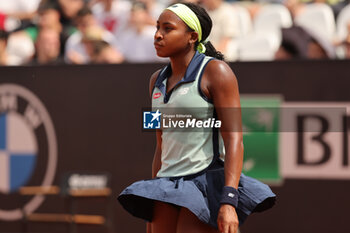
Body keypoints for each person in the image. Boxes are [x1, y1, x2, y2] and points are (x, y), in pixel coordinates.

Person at [118, 3, 276, 233]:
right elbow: (160, 145)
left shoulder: (217, 72)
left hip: (205, 182)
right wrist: (153, 200)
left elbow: (234, 140)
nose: (158, 35)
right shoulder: (155, 81)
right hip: (166, 184)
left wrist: (229, 200)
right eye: (157, 27)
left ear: (192, 36)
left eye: (168, 28)